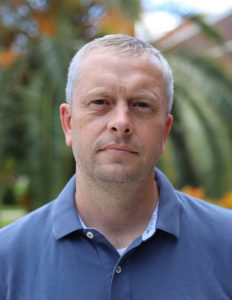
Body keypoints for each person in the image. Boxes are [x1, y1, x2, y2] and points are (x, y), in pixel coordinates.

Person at [0, 34, 231, 300]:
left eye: (141, 105)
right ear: (68, 124)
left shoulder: (227, 245)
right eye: (100, 102)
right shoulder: (6, 259)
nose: (121, 122)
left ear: (164, 132)